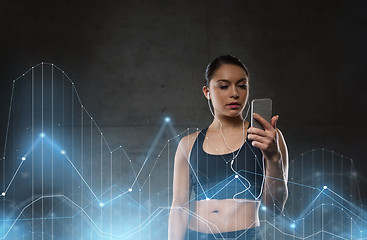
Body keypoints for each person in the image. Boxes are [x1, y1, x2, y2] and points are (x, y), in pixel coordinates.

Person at [168, 55, 288, 240]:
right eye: (224, 86)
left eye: (242, 85)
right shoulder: (188, 144)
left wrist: (273, 159)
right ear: (207, 91)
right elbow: (179, 208)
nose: (234, 93)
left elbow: (275, 208)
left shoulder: (267, 138)